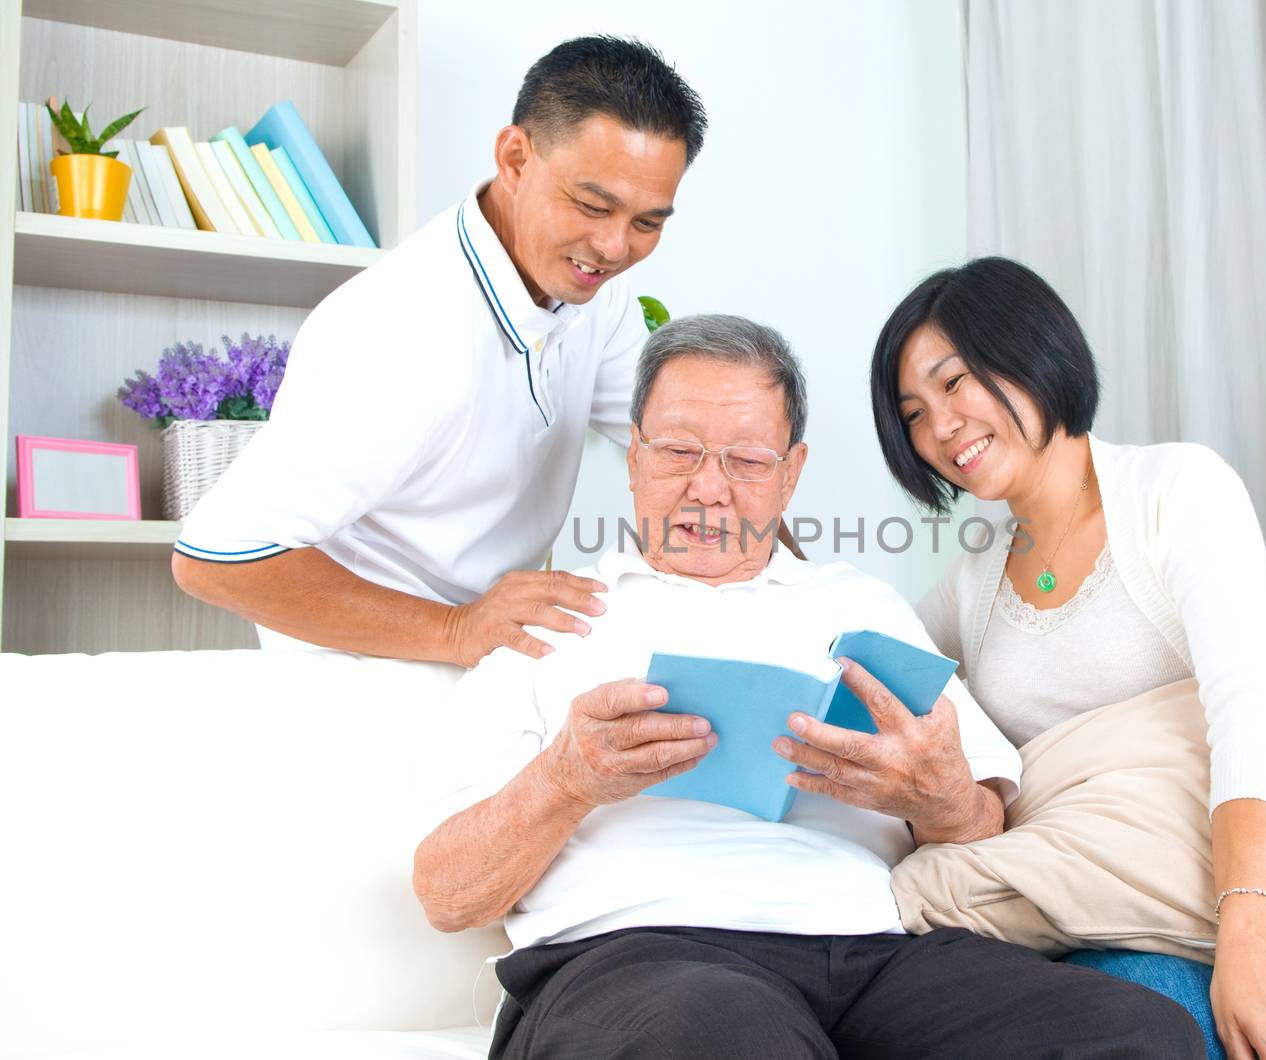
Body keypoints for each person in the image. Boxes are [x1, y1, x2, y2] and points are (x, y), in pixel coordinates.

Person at [414, 314, 1205, 1059]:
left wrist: (940, 799)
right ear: (633, 458)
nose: (709, 489)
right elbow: (446, 895)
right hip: (633, 956)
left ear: (792, 473)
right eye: (679, 452)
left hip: (871, 958)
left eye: (748, 461)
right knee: (728, 1032)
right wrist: (569, 778)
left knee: (1137, 1032)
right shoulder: (550, 621)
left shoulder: (859, 606)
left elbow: (978, 832)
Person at [851, 256, 1266, 1059]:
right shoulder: (969, 582)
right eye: (915, 413)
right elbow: (873, 671)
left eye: (955, 381)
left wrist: (1250, 940)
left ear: (1030, 348)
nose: (941, 427)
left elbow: (1253, 715)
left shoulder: (1175, 489)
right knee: (1147, 1015)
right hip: (1122, 916)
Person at [172, 37, 704, 666]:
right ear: (514, 158)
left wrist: (801, 604)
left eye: (648, 223)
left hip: (486, 661)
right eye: (593, 206)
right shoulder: (396, 330)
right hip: (365, 672)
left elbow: (693, 449)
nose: (615, 247)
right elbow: (216, 559)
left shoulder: (598, 299)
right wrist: (457, 630)